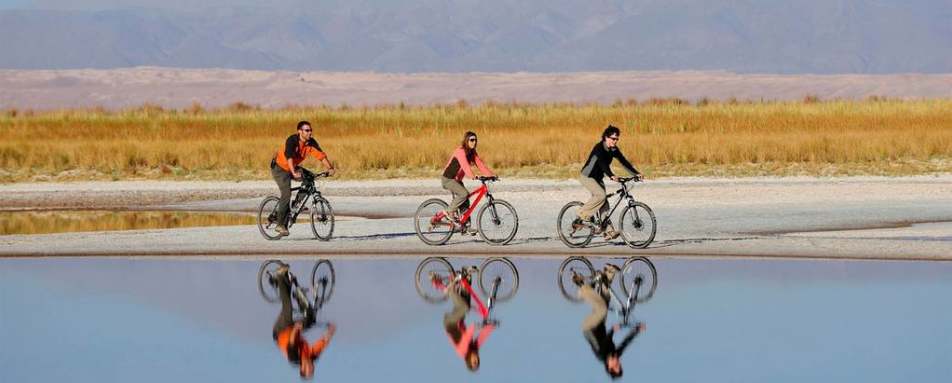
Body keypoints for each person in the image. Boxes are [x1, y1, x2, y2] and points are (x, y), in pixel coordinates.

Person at [575, 266, 645, 379]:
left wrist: (613, 330)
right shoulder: (615, 354)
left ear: (609, 366)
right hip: (600, 325)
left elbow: (605, 341)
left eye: (616, 365)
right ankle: (609, 272)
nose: (618, 363)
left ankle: (582, 289)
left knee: (602, 309)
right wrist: (637, 330)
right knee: (606, 300)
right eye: (620, 365)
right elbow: (625, 342)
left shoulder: (601, 356)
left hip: (589, 327)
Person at [271, 121, 336, 236]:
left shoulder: (311, 142)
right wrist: (294, 173)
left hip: (293, 167)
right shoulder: (292, 140)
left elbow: (321, 155)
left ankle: (297, 204)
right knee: (286, 194)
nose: (310, 132)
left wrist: (330, 168)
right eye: (307, 130)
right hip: (280, 168)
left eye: (311, 130)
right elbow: (289, 157)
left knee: (309, 178)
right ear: (300, 131)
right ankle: (280, 225)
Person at [576, 125, 642, 239]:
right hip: (587, 176)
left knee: (604, 204)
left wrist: (636, 173)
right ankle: (582, 214)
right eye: (613, 138)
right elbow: (602, 164)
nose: (615, 141)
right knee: (601, 196)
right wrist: (611, 175)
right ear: (606, 137)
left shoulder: (613, 150)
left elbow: (623, 162)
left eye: (617, 139)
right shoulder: (599, 148)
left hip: (598, 178)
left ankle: (608, 232)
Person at [272, 264, 336, 379]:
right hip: (294, 330)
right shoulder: (313, 356)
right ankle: (294, 290)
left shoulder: (294, 358)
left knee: (288, 309)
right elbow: (322, 344)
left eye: (309, 370)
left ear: (302, 368)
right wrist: (330, 332)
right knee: (311, 318)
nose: (312, 368)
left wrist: (296, 329)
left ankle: (280, 276)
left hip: (281, 331)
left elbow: (292, 341)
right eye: (312, 370)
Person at [440, 131, 495, 234]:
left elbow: (480, 165)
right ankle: (449, 211)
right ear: (466, 140)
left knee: (466, 200)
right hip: (448, 179)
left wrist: (491, 175)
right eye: (471, 140)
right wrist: (472, 176)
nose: (474, 142)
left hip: (457, 180)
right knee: (464, 194)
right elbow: (465, 166)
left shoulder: (472, 153)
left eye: (475, 140)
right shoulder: (460, 151)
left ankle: (466, 227)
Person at [441, 271, 495, 371]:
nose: (477, 359)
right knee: (467, 303)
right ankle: (466, 277)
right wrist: (491, 326)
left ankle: (448, 290)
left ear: (469, 361)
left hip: (450, 323)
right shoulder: (474, 349)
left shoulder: (462, 352)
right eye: (478, 361)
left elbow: (466, 338)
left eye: (474, 362)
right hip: (458, 321)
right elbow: (481, 337)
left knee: (465, 307)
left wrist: (475, 327)